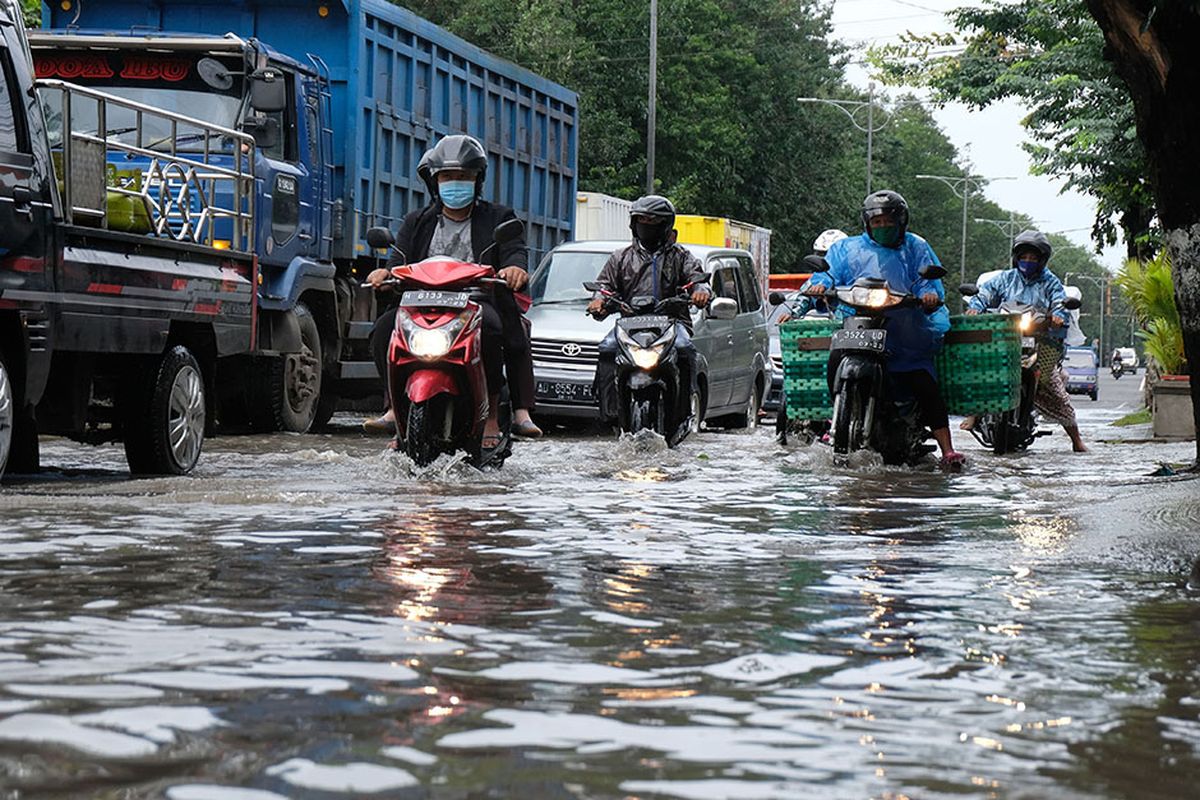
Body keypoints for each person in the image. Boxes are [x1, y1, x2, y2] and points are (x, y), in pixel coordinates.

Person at [365, 134, 541, 447]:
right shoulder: (416, 221)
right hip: (421, 304)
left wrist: (514, 269)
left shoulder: (499, 218)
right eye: (447, 177)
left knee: (494, 328)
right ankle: (394, 408)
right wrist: (384, 274)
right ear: (435, 182)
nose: (455, 183)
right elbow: (397, 262)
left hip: (476, 302)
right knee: (383, 329)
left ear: (477, 180)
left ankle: (498, 414)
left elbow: (514, 251)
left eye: (463, 177)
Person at [806, 190, 965, 470]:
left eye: (888, 221)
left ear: (901, 221)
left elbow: (927, 279)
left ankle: (948, 449)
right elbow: (828, 273)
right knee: (834, 360)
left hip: (904, 332)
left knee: (924, 384)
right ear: (867, 223)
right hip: (857, 323)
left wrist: (928, 294)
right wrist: (820, 284)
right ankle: (835, 420)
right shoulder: (846, 248)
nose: (883, 226)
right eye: (876, 222)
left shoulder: (916, 246)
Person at [586, 195, 712, 428]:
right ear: (634, 224)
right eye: (642, 220)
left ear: (665, 225)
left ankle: (684, 412)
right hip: (629, 326)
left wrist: (701, 291)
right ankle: (609, 411)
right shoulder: (620, 257)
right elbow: (603, 287)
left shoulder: (681, 256)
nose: (647, 226)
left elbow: (697, 279)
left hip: (673, 324)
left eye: (653, 221)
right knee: (606, 349)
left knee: (685, 350)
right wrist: (598, 301)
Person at [962, 230, 1088, 452]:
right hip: (1005, 337)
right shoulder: (1006, 278)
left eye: (1033, 258)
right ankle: (974, 412)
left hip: (1040, 339)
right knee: (983, 368)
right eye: (1024, 257)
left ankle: (1076, 440)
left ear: (1042, 260)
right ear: (1016, 258)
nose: (1027, 261)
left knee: (1053, 386)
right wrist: (975, 307)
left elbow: (1059, 301)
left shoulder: (1050, 281)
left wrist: (1059, 315)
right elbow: (985, 294)